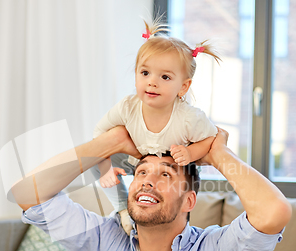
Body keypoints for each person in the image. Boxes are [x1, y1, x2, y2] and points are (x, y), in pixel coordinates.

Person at [11, 125, 292, 251]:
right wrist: (108, 143)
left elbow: (273, 212)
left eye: (166, 174)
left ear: (189, 201)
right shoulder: (108, 241)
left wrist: (219, 154)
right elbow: (29, 196)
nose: (147, 180)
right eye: (142, 171)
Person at [92, 19, 221, 235]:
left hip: (170, 168)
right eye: (145, 73)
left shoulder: (189, 117)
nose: (152, 82)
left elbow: (211, 139)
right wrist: (106, 167)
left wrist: (190, 152)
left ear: (183, 86)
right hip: (139, 158)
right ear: (136, 76)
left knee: (170, 197)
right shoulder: (127, 107)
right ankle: (123, 209)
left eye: (165, 77)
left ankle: (175, 231)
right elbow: (99, 135)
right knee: (93, 159)